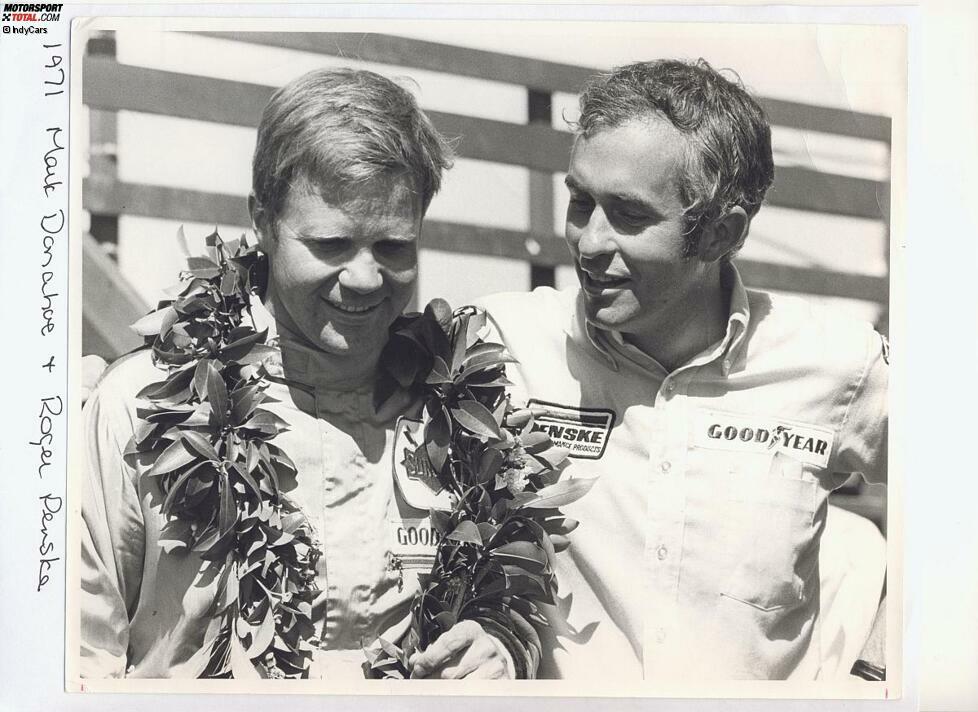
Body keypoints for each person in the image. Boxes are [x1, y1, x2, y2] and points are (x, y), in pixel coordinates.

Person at [80, 67, 538, 680]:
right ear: (263, 222)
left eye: (395, 247)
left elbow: (525, 604)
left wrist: (502, 646)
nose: (366, 279)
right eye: (330, 244)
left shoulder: (465, 416)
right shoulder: (138, 406)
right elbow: (77, 656)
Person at [478, 59, 888, 680]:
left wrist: (882, 670)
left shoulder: (838, 363)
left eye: (629, 214)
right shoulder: (503, 342)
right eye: (580, 202)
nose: (589, 242)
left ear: (723, 233)